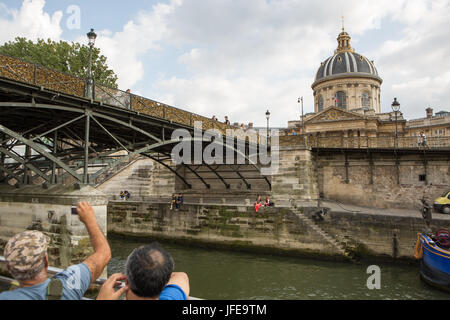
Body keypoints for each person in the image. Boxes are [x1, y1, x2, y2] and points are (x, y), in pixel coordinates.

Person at [0, 202, 111, 300]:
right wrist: (89, 220)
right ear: (46, 262)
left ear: (9, 268)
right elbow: (104, 253)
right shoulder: (69, 285)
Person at [96, 242, 189, 300]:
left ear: (127, 282)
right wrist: (157, 276)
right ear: (164, 285)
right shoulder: (171, 297)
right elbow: (181, 277)